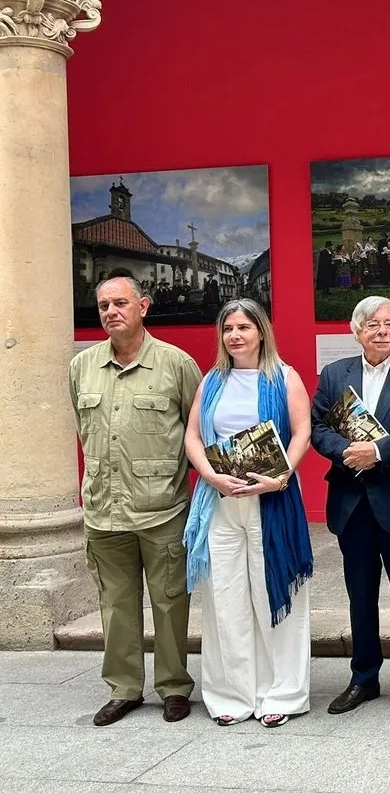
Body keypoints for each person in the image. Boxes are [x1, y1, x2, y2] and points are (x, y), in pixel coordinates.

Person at [68, 273, 202, 726]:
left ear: (143, 306)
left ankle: (174, 686)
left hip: (162, 508)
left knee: (170, 602)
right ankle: (124, 688)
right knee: (116, 604)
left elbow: (196, 433)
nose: (111, 312)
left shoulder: (176, 364)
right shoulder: (82, 367)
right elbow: (84, 430)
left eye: (120, 303)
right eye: (104, 305)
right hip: (103, 509)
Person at [182, 299, 314, 727]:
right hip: (220, 501)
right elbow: (193, 437)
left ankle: (282, 693)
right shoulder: (212, 381)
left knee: (272, 593)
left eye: (243, 327)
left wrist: (282, 476)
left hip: (270, 499)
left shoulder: (284, 377)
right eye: (228, 329)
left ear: (261, 332)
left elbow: (302, 431)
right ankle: (232, 695)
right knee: (225, 598)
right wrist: (210, 477)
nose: (235, 335)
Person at [311, 296, 390, 719]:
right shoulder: (335, 374)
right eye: (372, 324)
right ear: (357, 331)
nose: (382, 331)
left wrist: (377, 452)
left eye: (389, 324)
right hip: (352, 502)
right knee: (360, 596)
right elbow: (318, 426)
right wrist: (348, 451)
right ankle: (363, 678)